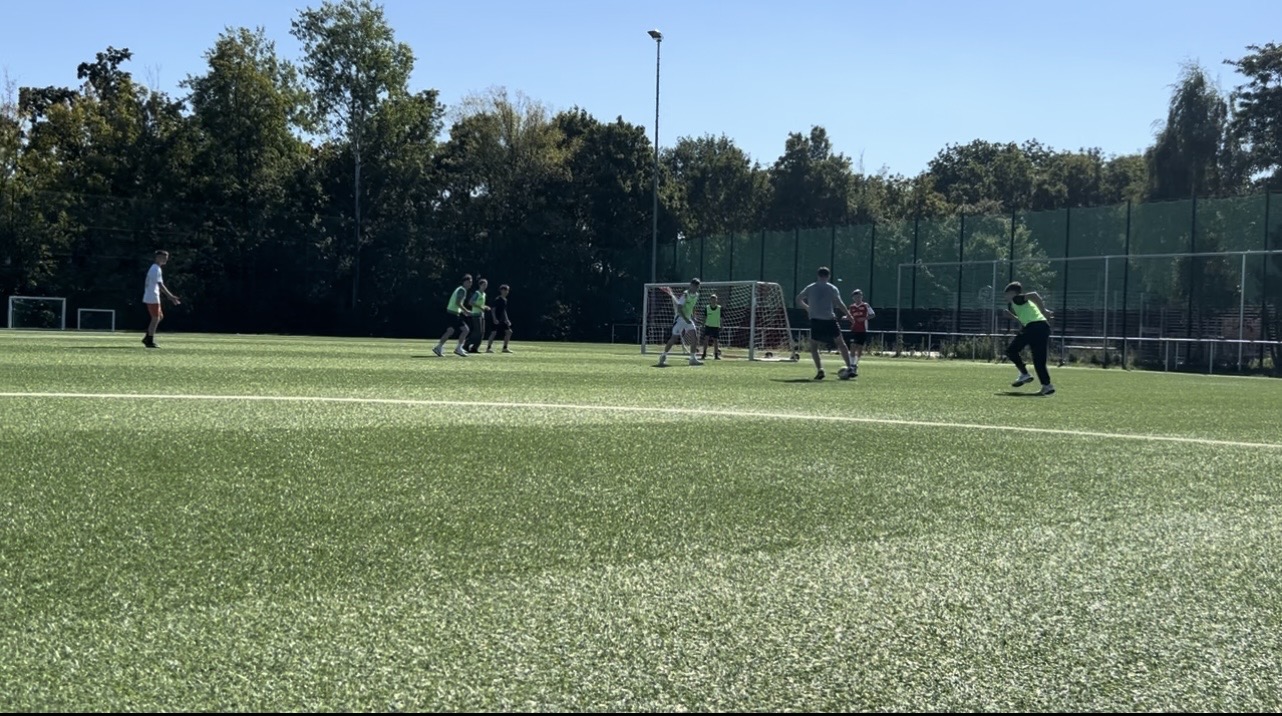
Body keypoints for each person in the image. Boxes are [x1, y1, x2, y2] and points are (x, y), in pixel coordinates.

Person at [796, 267, 853, 380]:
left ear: (818, 275)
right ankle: (850, 367)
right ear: (828, 276)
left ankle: (820, 369)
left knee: (814, 347)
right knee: (841, 343)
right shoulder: (832, 288)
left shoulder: (810, 287)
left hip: (816, 320)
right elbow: (839, 303)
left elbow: (798, 299)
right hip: (830, 320)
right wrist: (849, 315)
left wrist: (807, 308)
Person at [1003, 281, 1056, 395]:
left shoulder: (1017, 299)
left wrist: (1043, 310)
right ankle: (1047, 386)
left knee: (1011, 351)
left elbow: (1034, 295)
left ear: (1012, 293)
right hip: (1043, 327)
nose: (1005, 297)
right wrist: (1012, 317)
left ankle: (1024, 374)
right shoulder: (1020, 305)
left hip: (1033, 327)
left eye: (1006, 294)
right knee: (1039, 360)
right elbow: (1025, 321)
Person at [657, 278, 703, 366]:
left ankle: (692, 359)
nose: (696, 288)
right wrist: (685, 319)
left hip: (688, 319)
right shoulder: (685, 295)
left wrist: (693, 316)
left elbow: (693, 306)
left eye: (697, 286)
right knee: (674, 339)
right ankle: (663, 355)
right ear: (691, 285)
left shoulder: (697, 295)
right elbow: (679, 308)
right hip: (680, 319)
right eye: (694, 286)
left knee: (694, 337)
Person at [141, 250, 180, 348]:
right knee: (155, 318)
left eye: (166, 258)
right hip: (152, 296)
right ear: (157, 258)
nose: (165, 260)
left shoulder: (156, 268)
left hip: (152, 295)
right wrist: (170, 296)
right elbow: (160, 284)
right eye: (163, 258)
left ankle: (147, 336)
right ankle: (149, 340)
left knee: (160, 317)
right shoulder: (155, 269)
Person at [433, 274, 473, 357]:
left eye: (471, 282)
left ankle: (438, 347)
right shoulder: (462, 290)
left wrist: (463, 312)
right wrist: (466, 311)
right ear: (464, 282)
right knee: (465, 330)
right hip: (453, 314)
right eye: (468, 282)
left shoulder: (460, 289)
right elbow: (458, 303)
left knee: (450, 331)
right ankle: (458, 349)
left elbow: (457, 304)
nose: (470, 284)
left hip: (451, 313)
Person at [845, 289, 876, 376]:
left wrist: (864, 318)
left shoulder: (865, 305)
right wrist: (846, 318)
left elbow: (873, 315)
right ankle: (851, 365)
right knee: (852, 346)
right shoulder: (852, 307)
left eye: (859, 296)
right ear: (853, 298)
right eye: (856, 297)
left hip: (863, 330)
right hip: (854, 329)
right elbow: (849, 316)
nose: (858, 298)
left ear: (861, 297)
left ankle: (855, 364)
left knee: (859, 348)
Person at [485, 284, 514, 353]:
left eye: (507, 290)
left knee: (509, 332)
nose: (506, 292)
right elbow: (493, 310)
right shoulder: (498, 299)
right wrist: (494, 319)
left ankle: (505, 348)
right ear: (501, 291)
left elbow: (504, 311)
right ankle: (488, 348)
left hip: (502, 320)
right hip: (496, 319)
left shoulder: (505, 300)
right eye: (505, 290)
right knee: (493, 333)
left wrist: (507, 319)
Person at [464, 278, 488, 353]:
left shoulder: (484, 294)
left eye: (486, 285)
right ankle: (466, 345)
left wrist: (485, 307)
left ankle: (474, 348)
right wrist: (480, 307)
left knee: (482, 333)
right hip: (476, 315)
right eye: (483, 285)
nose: (485, 286)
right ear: (480, 285)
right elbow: (471, 302)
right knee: (478, 332)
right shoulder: (477, 293)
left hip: (482, 315)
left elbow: (481, 304)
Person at [700, 293, 723, 360]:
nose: (713, 300)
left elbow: (721, 318)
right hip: (708, 326)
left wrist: (721, 325)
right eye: (712, 299)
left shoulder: (719, 308)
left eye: (714, 299)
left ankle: (716, 355)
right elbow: (704, 317)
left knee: (716, 341)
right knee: (706, 339)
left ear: (716, 300)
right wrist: (702, 325)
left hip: (716, 326)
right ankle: (704, 354)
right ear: (710, 300)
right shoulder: (707, 308)